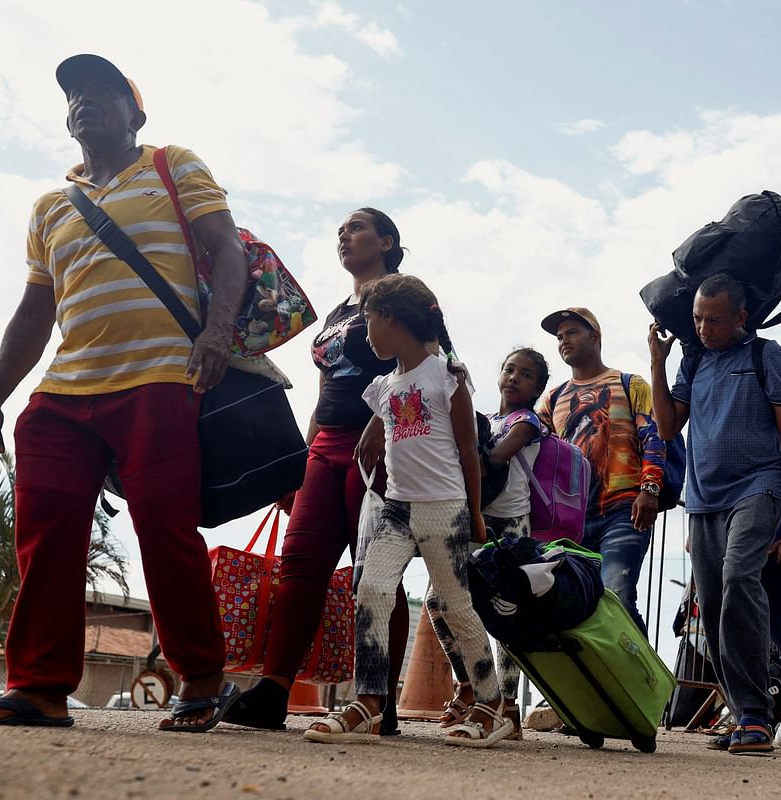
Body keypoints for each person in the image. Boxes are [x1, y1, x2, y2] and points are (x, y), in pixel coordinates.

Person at [0, 54, 246, 731]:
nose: (84, 102)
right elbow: (34, 313)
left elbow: (227, 248)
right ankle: (40, 685)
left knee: (164, 526)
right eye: (74, 94)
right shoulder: (50, 207)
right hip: (64, 393)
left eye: (101, 91)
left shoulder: (172, 164)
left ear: (135, 113)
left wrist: (217, 333)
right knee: (45, 534)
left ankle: (200, 673)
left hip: (161, 377)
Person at [224, 209, 412, 732]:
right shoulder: (335, 312)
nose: (344, 236)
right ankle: (274, 691)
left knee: (376, 575)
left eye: (356, 228)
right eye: (341, 232)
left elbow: (431, 366)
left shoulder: (405, 296)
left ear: (387, 241)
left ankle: (379, 698)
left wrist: (387, 425)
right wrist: (297, 459)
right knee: (299, 568)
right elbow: (326, 390)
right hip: (323, 449)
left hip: (378, 446)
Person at [304, 274, 509, 746]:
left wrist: (475, 513)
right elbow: (387, 417)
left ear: (391, 319)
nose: (365, 332)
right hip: (396, 507)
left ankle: (492, 703)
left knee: (456, 606)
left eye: (369, 320)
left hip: (444, 509)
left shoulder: (447, 377)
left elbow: (467, 450)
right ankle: (370, 702)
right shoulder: (384, 384)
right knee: (371, 588)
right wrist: (372, 430)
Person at [648, 274, 781, 755]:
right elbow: (667, 427)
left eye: (714, 320)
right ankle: (742, 716)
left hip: (758, 487)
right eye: (697, 318)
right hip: (702, 499)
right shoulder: (692, 360)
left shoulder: (767, 356)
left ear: (741, 317)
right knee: (713, 605)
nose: (703, 328)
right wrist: (658, 364)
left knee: (741, 579)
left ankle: (757, 715)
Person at [427, 347, 549, 737]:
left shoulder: (528, 421)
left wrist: (460, 449)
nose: (514, 377)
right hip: (475, 520)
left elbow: (494, 459)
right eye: (510, 369)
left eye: (525, 374)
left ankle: (507, 705)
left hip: (510, 528)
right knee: (437, 601)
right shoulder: (487, 419)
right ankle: (468, 686)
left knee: (506, 613)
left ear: (536, 388)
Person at [537, 307, 667, 632]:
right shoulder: (552, 400)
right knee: (574, 610)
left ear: (595, 335)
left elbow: (654, 438)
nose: (564, 341)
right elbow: (534, 453)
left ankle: (648, 679)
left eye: (573, 332)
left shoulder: (630, 384)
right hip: (572, 521)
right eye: (559, 336)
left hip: (624, 511)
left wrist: (649, 490)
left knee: (617, 595)